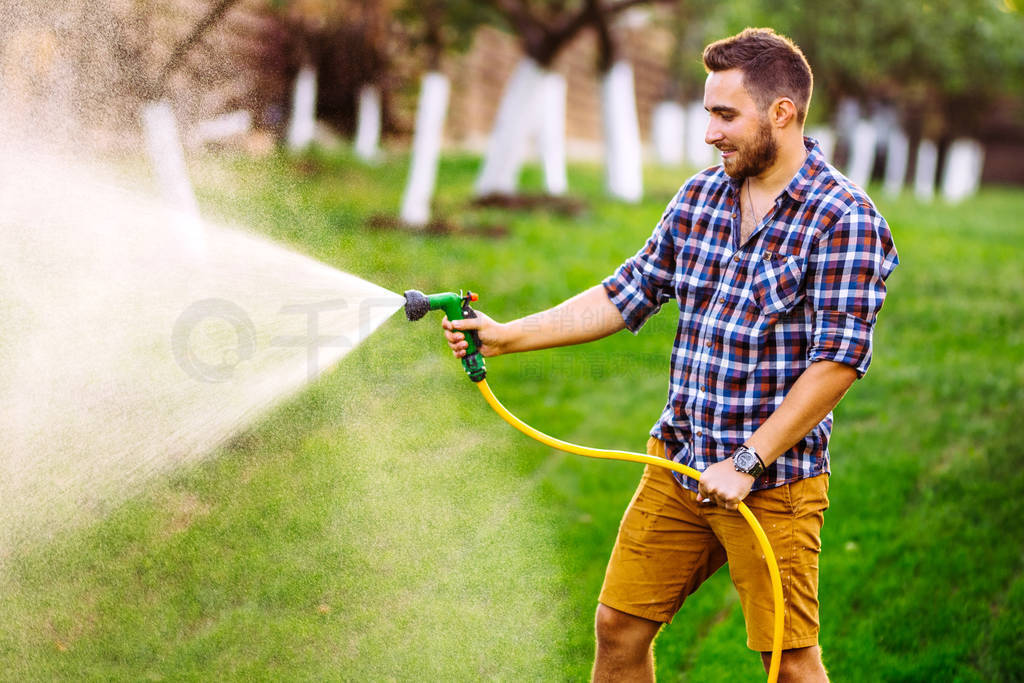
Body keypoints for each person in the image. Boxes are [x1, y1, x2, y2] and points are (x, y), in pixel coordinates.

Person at [444, 27, 898, 682]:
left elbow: (837, 363)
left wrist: (747, 459)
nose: (710, 133)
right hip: (679, 461)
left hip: (772, 483)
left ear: (783, 113)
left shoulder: (843, 218)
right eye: (707, 113)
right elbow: (623, 293)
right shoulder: (700, 198)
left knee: (791, 663)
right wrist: (509, 334)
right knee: (618, 627)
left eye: (724, 115)